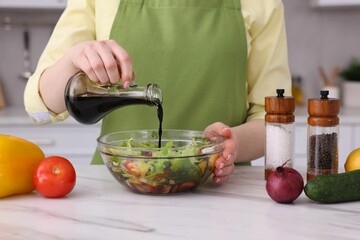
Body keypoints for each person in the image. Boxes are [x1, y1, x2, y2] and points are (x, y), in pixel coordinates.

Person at [24, 0, 291, 184]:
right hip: (118, 190)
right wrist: (74, 58)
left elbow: (275, 118)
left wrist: (233, 144)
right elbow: (39, 104)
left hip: (222, 193)